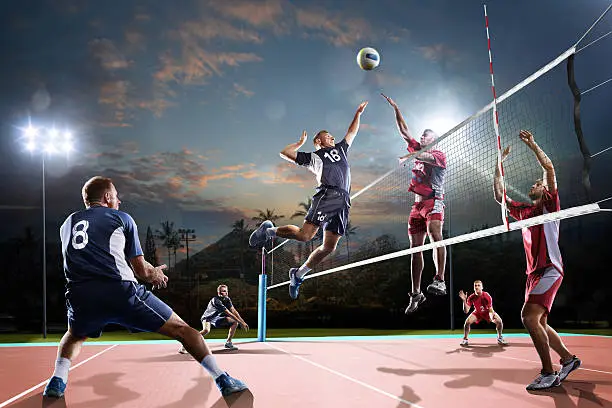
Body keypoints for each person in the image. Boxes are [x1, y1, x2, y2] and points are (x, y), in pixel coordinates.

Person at [43, 176, 247, 399]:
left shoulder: (67, 224)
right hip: (118, 291)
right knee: (184, 330)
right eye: (116, 196)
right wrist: (155, 274)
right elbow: (141, 270)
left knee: (74, 335)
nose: (119, 201)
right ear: (107, 197)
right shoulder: (121, 218)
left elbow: (90, 256)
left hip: (81, 296)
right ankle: (223, 380)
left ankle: (57, 381)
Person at [249, 101, 368, 300]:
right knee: (305, 236)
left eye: (331, 134)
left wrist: (358, 113)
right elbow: (285, 153)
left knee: (329, 247)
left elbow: (352, 131)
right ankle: (267, 230)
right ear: (318, 141)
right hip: (327, 195)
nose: (331, 135)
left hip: (343, 202)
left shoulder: (341, 149)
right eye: (326, 134)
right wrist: (299, 143)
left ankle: (298, 274)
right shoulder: (315, 156)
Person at [493, 130, 581, 391]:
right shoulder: (524, 211)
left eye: (537, 184)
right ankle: (567, 360)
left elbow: (549, 169)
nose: (534, 185)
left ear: (545, 192)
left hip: (549, 268)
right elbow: (499, 196)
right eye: (534, 184)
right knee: (539, 321)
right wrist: (497, 166)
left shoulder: (549, 205)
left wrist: (533, 145)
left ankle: (548, 372)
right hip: (533, 273)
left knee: (529, 317)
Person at [381, 93, 447, 314]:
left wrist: (410, 157)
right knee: (414, 250)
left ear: (433, 140)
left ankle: (439, 279)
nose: (423, 137)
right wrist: (396, 107)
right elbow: (403, 131)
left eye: (427, 136)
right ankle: (416, 294)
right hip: (416, 207)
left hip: (433, 202)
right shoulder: (417, 149)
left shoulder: (438, 154)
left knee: (435, 235)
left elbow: (424, 157)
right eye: (423, 135)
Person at [179, 284, 249, 353]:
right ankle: (185, 345)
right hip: (207, 318)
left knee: (234, 322)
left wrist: (243, 322)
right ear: (219, 293)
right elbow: (229, 313)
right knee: (206, 330)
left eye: (227, 291)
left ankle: (228, 342)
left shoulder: (227, 299)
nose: (226, 293)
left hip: (216, 318)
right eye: (224, 291)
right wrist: (241, 323)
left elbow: (234, 311)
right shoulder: (216, 301)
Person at [458, 280, 508, 347]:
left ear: (482, 287)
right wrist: (464, 301)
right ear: (473, 287)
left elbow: (490, 309)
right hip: (478, 313)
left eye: (478, 285)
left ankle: (500, 338)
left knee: (499, 321)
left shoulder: (486, 296)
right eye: (475, 286)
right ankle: (465, 339)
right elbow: (466, 311)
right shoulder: (471, 297)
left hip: (487, 312)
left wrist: (491, 317)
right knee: (467, 322)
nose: (477, 287)